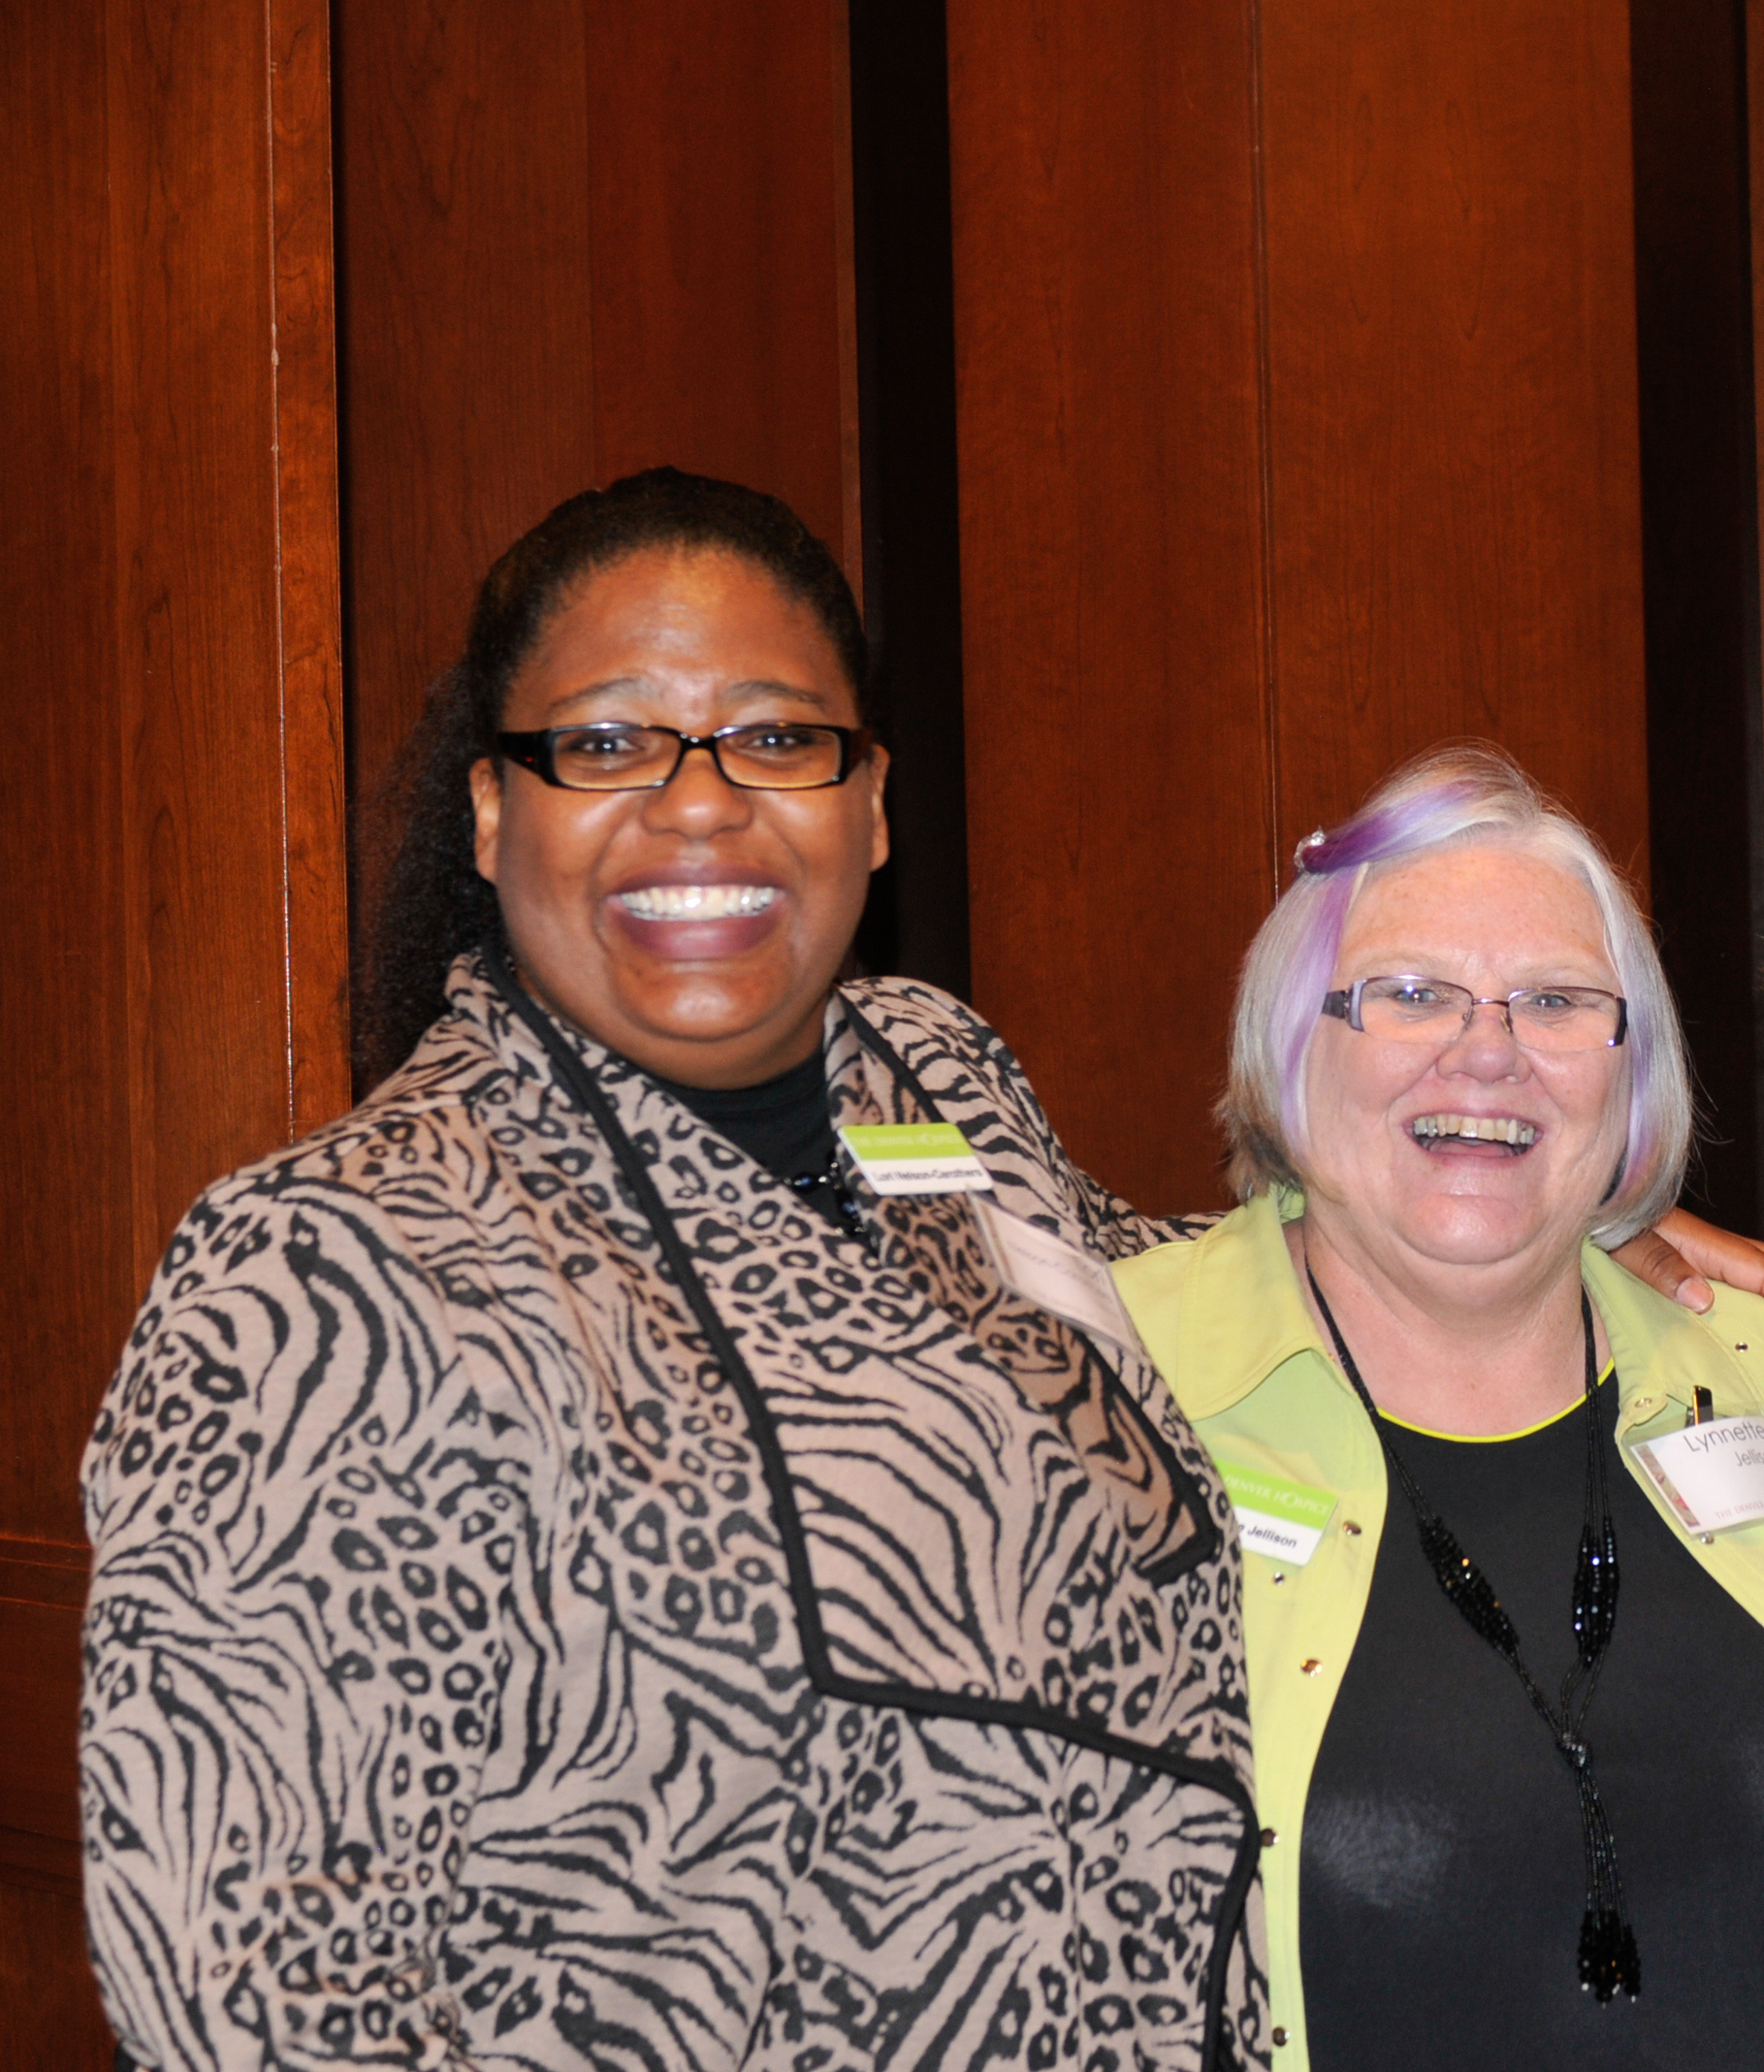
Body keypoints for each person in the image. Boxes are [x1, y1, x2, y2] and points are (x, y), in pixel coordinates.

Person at [80, 470, 1266, 2070]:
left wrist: (1566, 1237)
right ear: (497, 814)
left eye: (779, 739)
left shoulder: (940, 1080)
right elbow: (258, 1986)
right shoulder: (328, 1270)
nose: (700, 802)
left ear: (874, 802)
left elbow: (1209, 1299)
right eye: (607, 742)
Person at [1111, 746, 1764, 2072]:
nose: (1485, 1055)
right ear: (1290, 1040)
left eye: (1554, 1002)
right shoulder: (1101, 1400)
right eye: (1414, 993)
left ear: (1630, 1075)